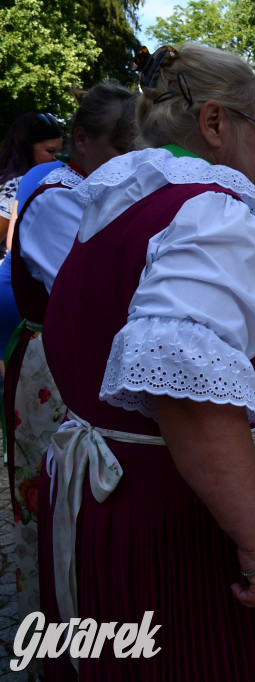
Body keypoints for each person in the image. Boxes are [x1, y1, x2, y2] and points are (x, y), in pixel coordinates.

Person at [36, 43, 255, 679]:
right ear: (213, 122)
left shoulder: (119, 205)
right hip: (181, 522)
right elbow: (186, 391)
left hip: (113, 498)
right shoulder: (208, 210)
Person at [3, 83, 137, 631]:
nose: (132, 160)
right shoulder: (57, 197)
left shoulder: (90, 188)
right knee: (54, 507)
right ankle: (58, 636)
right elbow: (94, 298)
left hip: (82, 358)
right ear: (81, 140)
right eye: (121, 146)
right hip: (53, 368)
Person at [0, 113, 63, 351]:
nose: (56, 158)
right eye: (50, 151)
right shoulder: (17, 184)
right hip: (11, 288)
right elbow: (11, 242)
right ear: (27, 148)